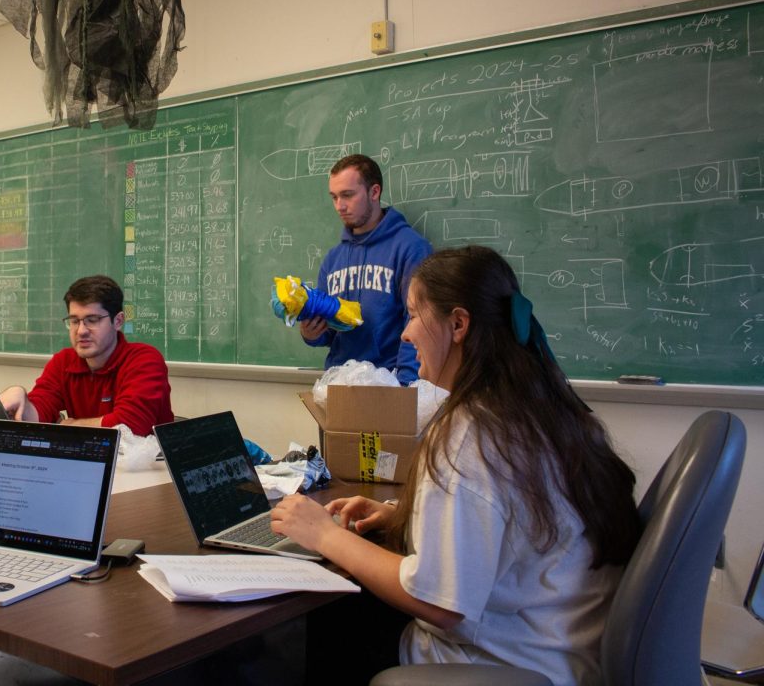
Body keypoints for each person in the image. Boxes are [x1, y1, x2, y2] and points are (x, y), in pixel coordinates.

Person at [272, 245, 640, 685]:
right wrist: (401, 517)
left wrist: (324, 535)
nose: (405, 334)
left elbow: (441, 604)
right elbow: (510, 522)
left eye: (412, 315)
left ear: (459, 324)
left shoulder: (473, 434)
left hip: (504, 664)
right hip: (559, 646)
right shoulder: (541, 409)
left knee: (311, 632)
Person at [301, 153, 431, 383]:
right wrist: (311, 333)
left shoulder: (410, 248)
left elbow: (419, 323)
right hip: (338, 385)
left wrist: (406, 387)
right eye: (334, 197)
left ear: (374, 192)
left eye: (348, 195)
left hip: (389, 385)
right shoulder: (333, 259)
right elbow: (330, 333)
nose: (339, 206)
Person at [0, 275, 172, 436]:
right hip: (91, 463)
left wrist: (69, 425)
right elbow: (40, 413)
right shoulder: (63, 362)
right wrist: (22, 402)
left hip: (147, 467)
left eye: (93, 320)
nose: (81, 331)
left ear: (118, 321)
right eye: (74, 321)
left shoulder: (145, 360)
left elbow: (129, 428)